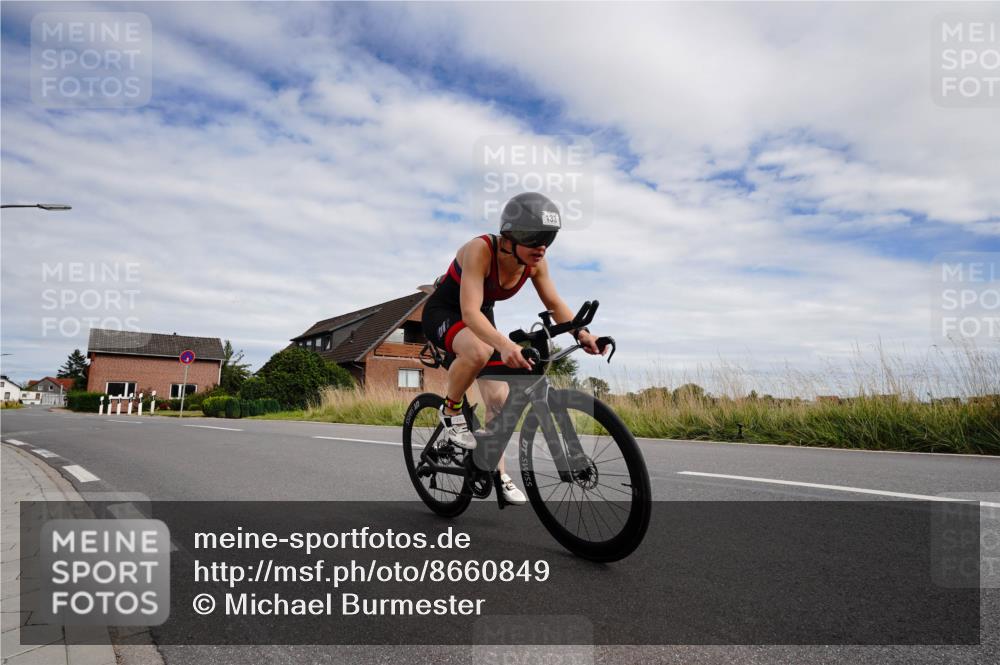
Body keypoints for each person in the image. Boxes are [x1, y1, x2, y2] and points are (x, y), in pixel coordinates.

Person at [421, 192, 604, 505]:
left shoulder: (535, 263)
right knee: (478, 352)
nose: (542, 247)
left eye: (549, 238)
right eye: (535, 238)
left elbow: (555, 303)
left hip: (481, 317)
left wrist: (582, 333)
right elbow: (469, 314)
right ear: (509, 236)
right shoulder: (480, 249)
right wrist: (504, 344)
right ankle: (450, 410)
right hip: (447, 312)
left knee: (499, 400)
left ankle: (496, 471)